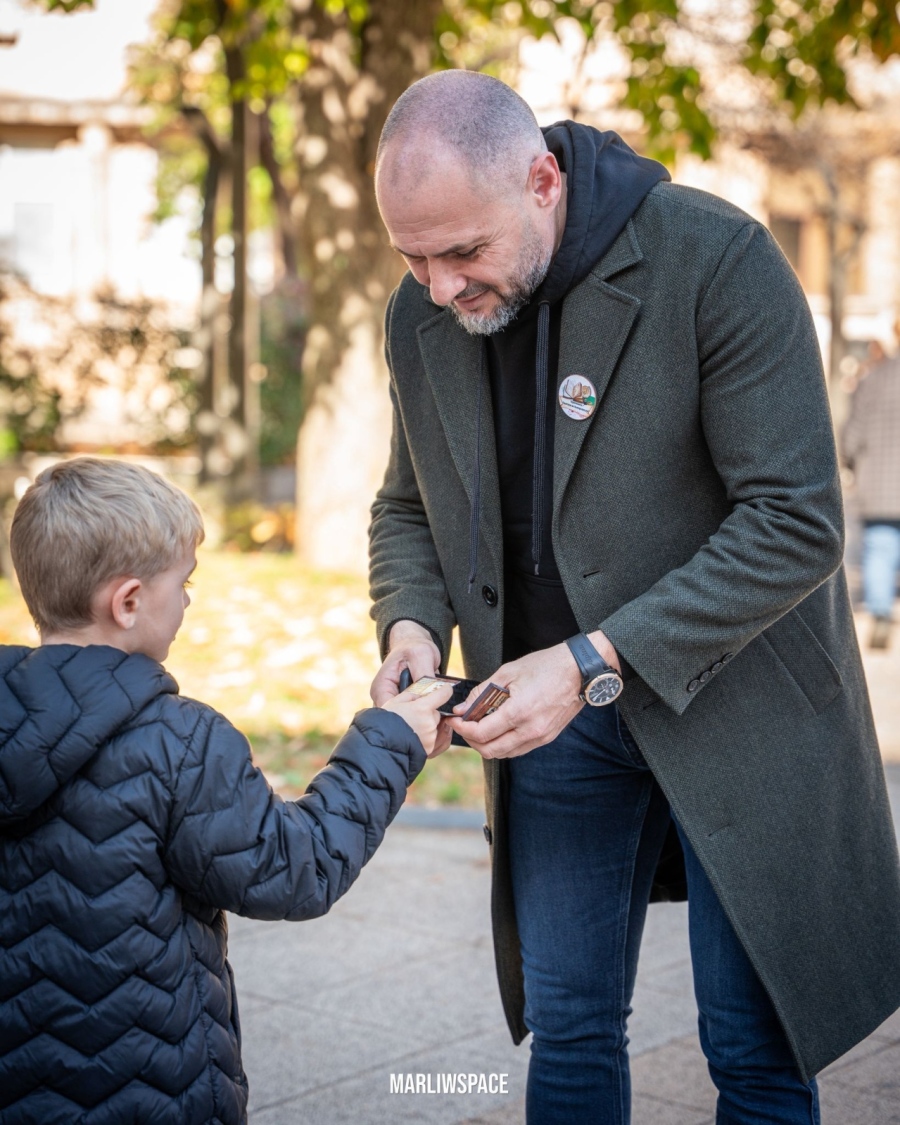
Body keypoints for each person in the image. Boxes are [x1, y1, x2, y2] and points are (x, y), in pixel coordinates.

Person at [367, 70, 900, 1125]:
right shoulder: (419, 312)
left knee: (751, 1050)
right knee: (568, 1032)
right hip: (547, 721)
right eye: (412, 258)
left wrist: (592, 660)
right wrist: (412, 627)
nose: (438, 288)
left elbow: (796, 521)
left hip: (737, 704)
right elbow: (405, 507)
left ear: (543, 180)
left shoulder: (717, 258)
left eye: (462, 252)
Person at [0, 456, 451, 1125]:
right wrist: (389, 740)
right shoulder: (181, 741)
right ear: (128, 602)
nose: (188, 598)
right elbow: (294, 870)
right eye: (183, 582)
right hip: (152, 1090)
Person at [841, 343, 900, 649]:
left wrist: (852, 462)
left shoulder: (873, 379)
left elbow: (852, 435)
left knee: (880, 547)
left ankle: (879, 614)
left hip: (879, 482)